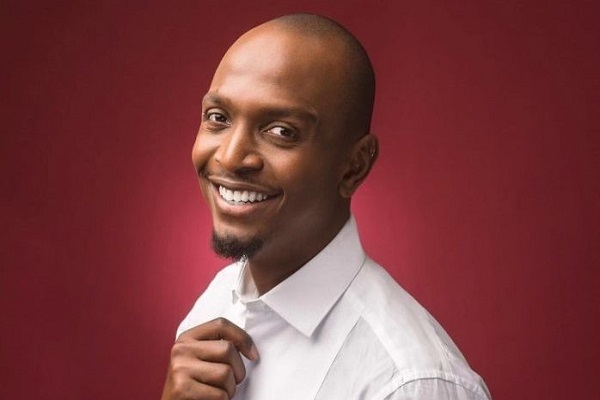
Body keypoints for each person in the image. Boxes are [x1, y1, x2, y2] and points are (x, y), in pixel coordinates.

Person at [161, 13, 491, 400]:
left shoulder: (407, 383)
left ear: (354, 166)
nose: (231, 157)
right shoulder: (214, 305)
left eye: (281, 131)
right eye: (218, 118)